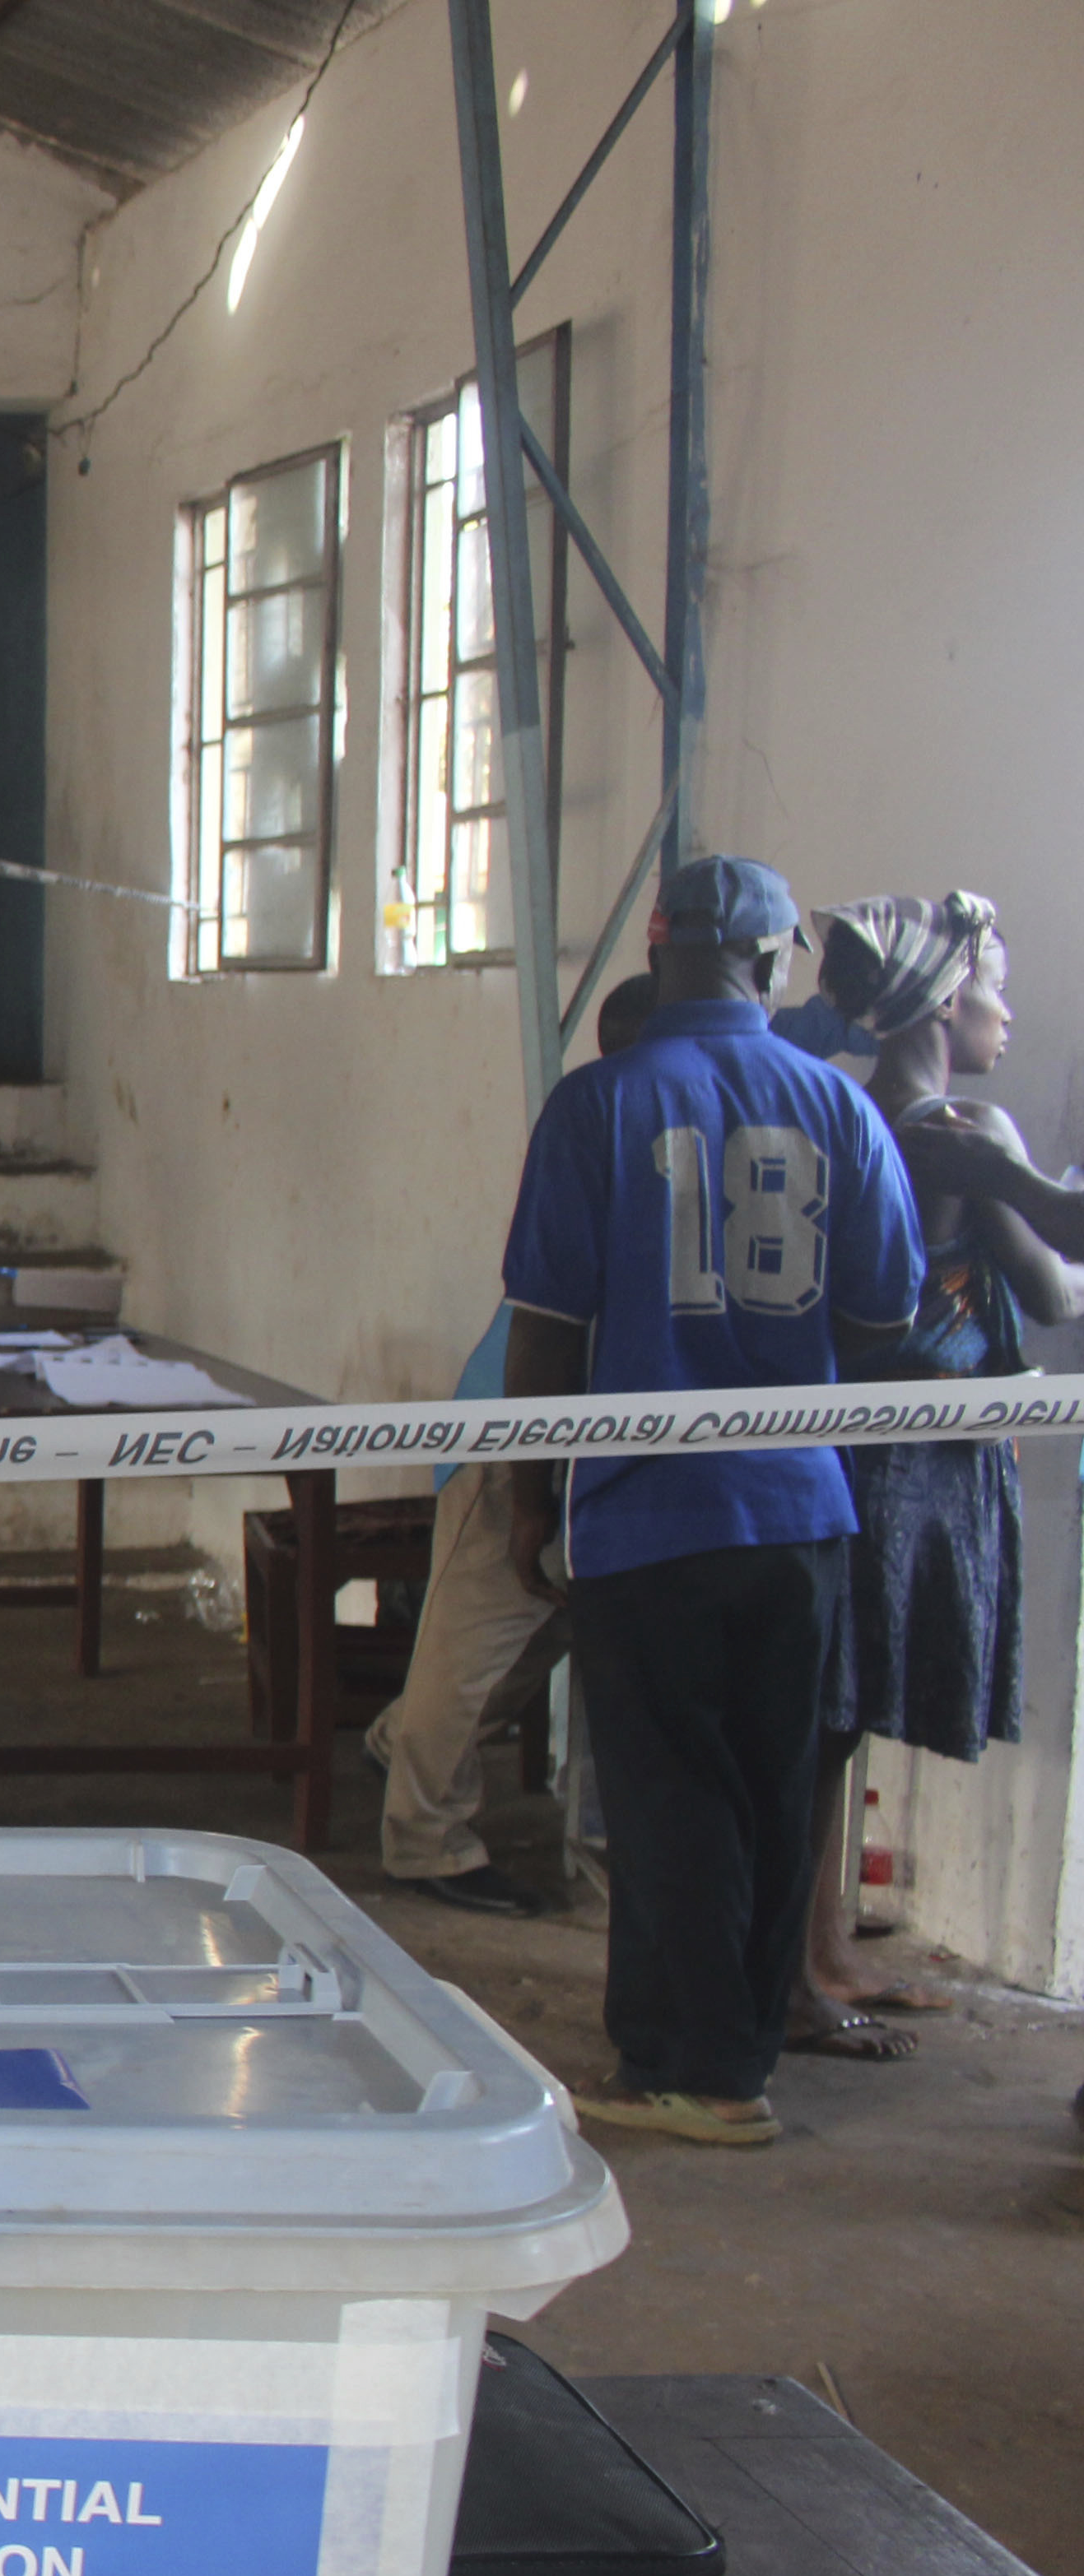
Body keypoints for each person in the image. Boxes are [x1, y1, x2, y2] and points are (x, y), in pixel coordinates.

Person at [496, 856, 919, 2148]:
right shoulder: (840, 1113)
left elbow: (547, 1336)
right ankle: (742, 2042)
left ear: (660, 951)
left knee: (670, 1791)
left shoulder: (595, 1107)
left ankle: (694, 2070)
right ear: (774, 960)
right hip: (798, 1511)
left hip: (646, 1512)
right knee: (773, 1781)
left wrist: (531, 1503)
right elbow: (883, 1315)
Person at [792, 893, 1066, 2058]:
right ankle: (806, 1970)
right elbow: (1053, 1291)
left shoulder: (852, 1114)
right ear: (949, 998)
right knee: (832, 1724)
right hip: (916, 1461)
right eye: (999, 986)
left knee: (834, 1716)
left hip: (858, 1439)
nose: (1011, 1013)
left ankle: (828, 1950)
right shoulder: (963, 1130)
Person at [368, 976, 656, 1916]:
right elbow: (545, 1330)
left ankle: (401, 1746)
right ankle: (427, 1844)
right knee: (473, 1642)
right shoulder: (606, 1140)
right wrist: (533, 1482)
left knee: (544, 1632)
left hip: (598, 1447)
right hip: (516, 1440)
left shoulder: (656, 1143)